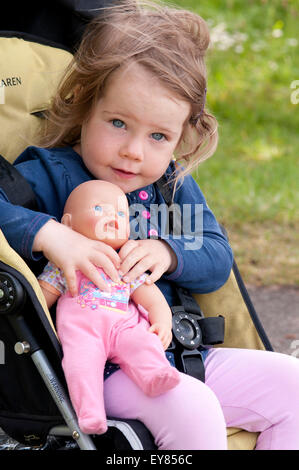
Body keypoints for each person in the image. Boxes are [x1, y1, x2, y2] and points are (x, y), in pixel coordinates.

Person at [1, 0, 299, 450]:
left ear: (181, 137)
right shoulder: (49, 173)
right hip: (101, 371)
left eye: (158, 136)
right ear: (85, 105)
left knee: (292, 386)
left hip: (180, 352)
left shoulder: (169, 187)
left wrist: (169, 251)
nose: (134, 152)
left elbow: (216, 256)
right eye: (119, 123)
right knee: (193, 406)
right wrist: (50, 233)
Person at [37, 180, 180, 435]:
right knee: (80, 365)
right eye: (100, 210)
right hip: (83, 332)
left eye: (122, 214)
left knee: (143, 342)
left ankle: (156, 375)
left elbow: (151, 295)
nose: (113, 218)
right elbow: (40, 299)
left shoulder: (125, 259)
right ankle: (90, 412)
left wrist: (162, 320)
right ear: (68, 225)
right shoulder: (63, 263)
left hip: (124, 325)